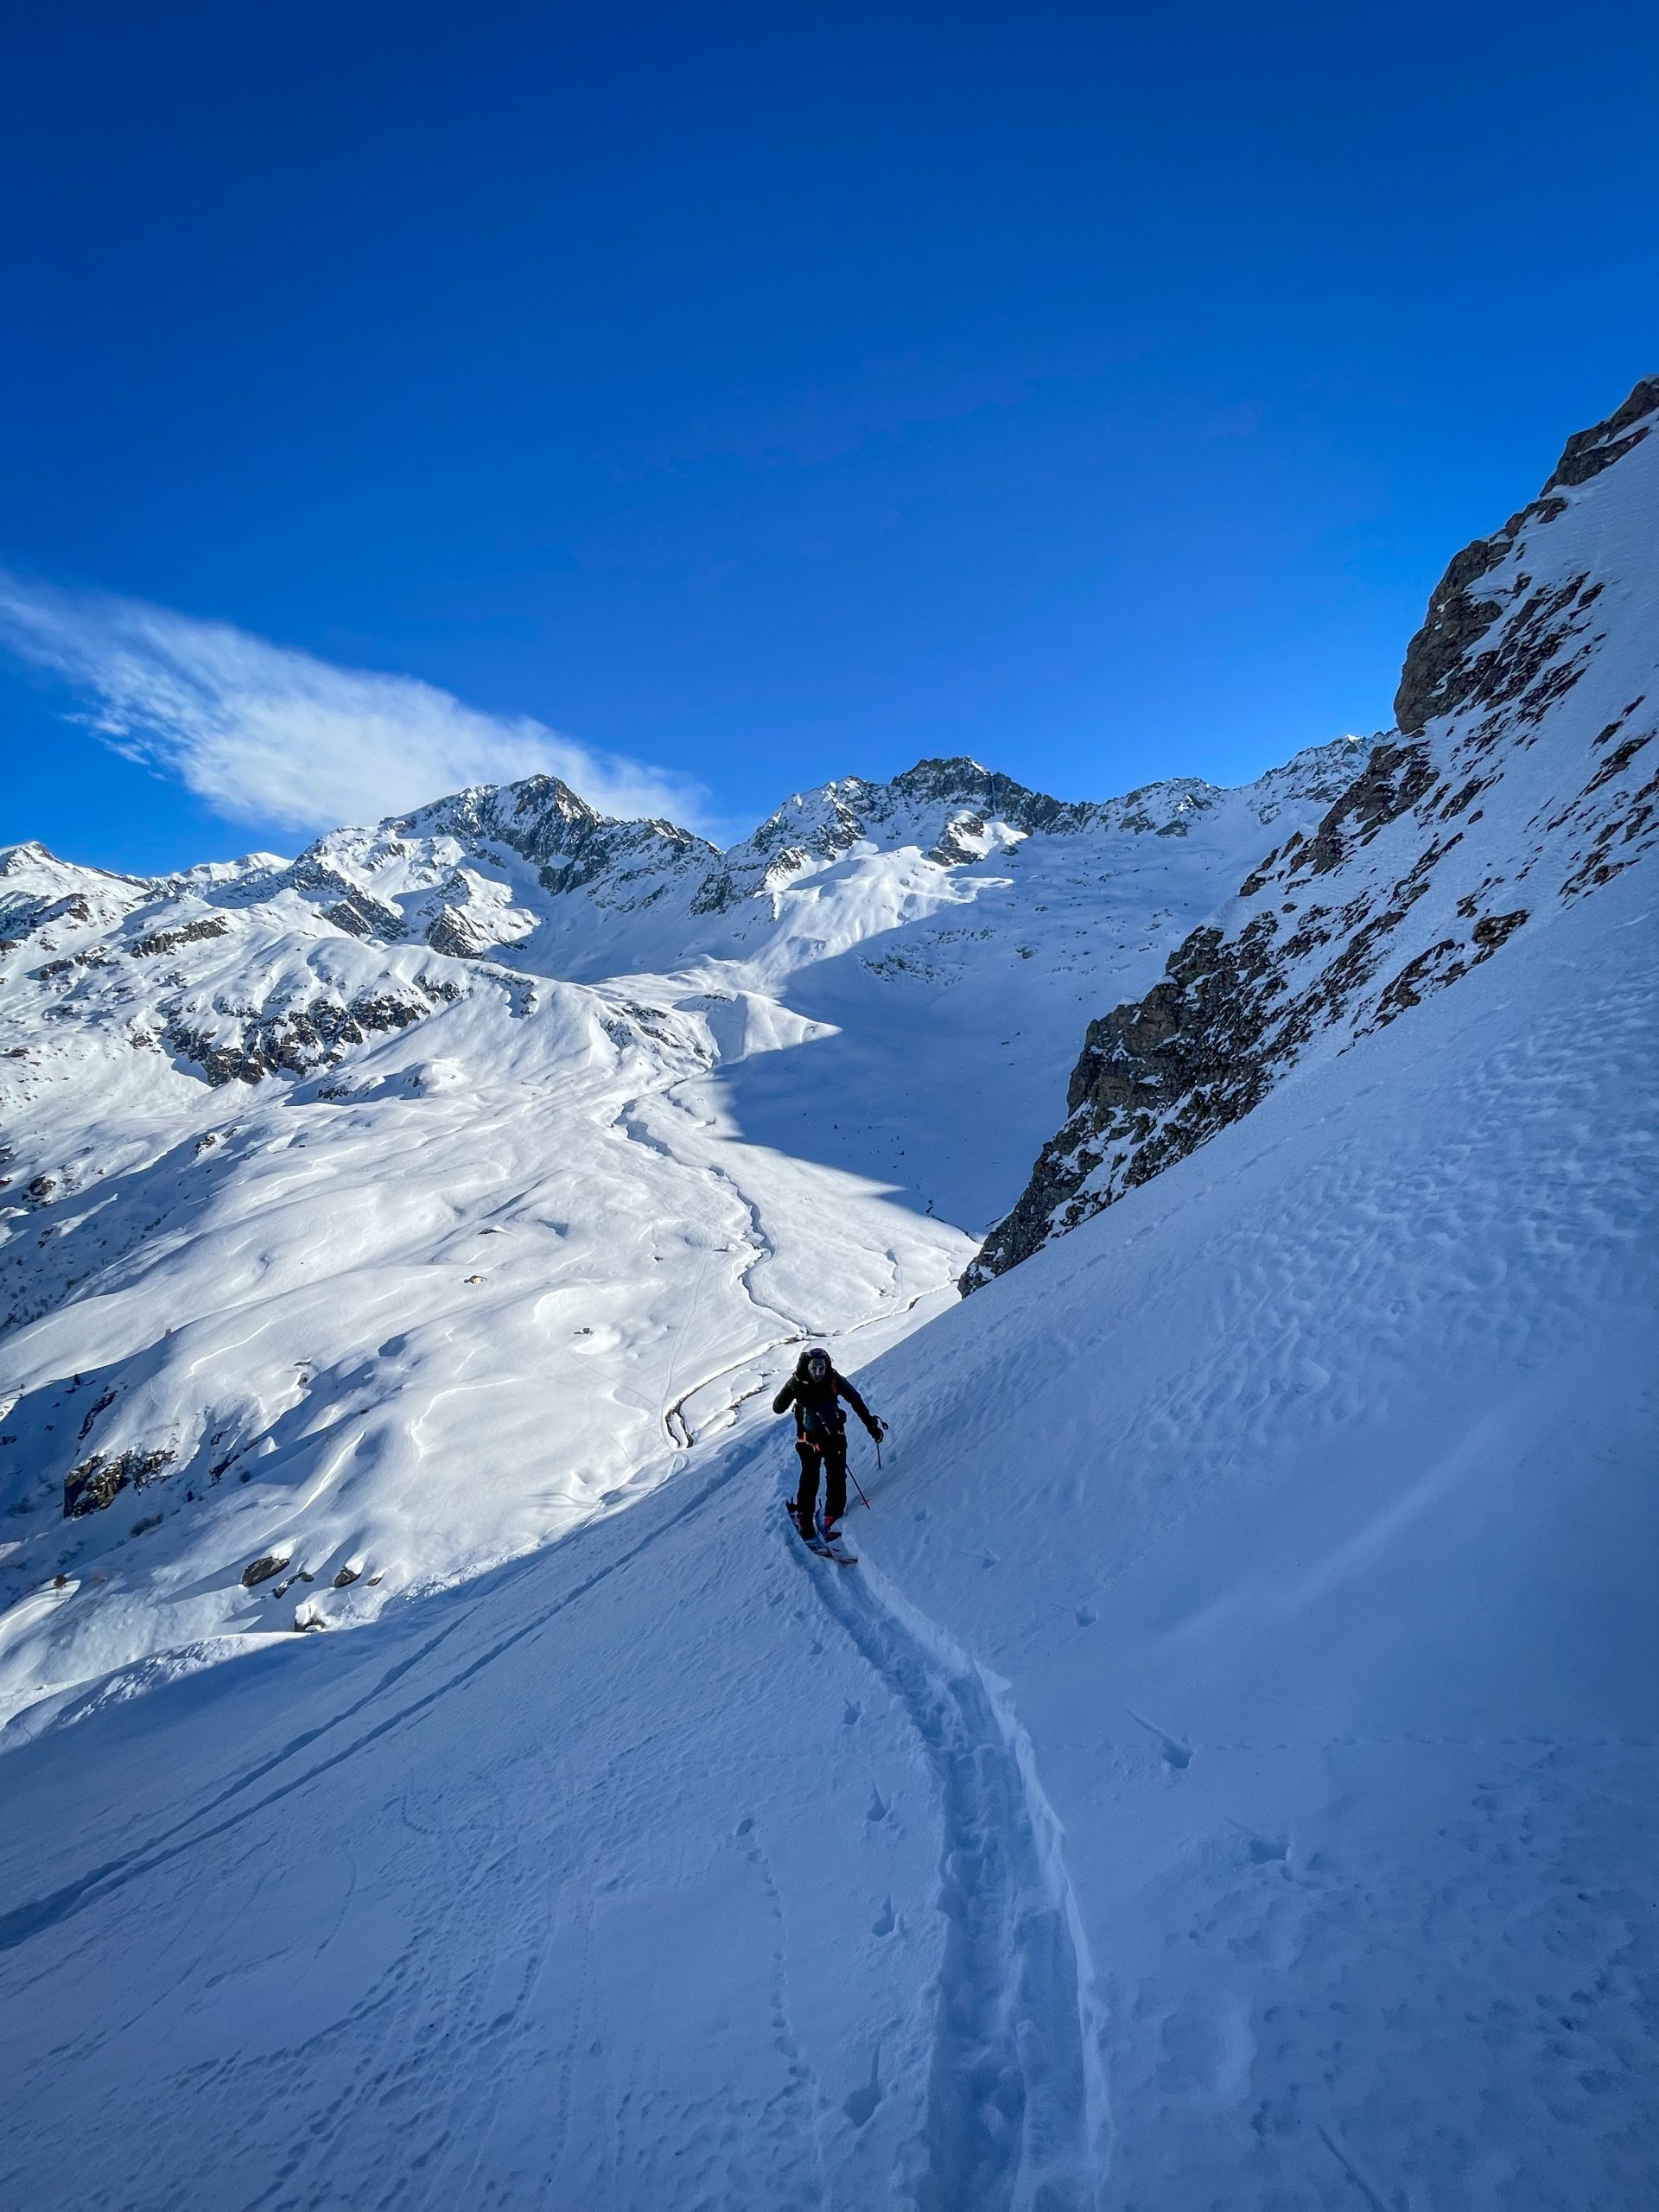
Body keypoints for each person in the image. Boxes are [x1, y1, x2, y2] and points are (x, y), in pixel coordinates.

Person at [774, 1346, 886, 1552]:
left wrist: (794, 1387)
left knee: (811, 1478)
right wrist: (871, 1426)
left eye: (821, 1368)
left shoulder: (799, 1381)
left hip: (809, 1440)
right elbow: (855, 1399)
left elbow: (778, 1407)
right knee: (834, 1477)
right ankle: (830, 1518)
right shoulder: (833, 1379)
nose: (818, 1371)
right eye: (815, 1368)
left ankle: (806, 1521)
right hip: (833, 1438)